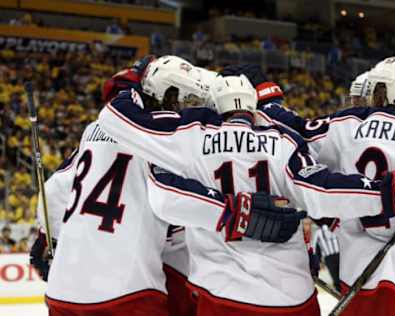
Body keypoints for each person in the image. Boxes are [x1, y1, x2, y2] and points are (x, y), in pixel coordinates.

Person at [98, 62, 395, 315]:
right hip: (291, 298)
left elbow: (165, 194)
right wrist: (387, 193)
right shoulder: (284, 142)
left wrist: (129, 84)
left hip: (222, 296)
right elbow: (322, 189)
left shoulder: (191, 136)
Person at [30, 55, 304, 316]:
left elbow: (53, 194)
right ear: (171, 97)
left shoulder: (93, 131)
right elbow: (174, 211)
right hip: (127, 290)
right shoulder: (166, 140)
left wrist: (47, 237)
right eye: (188, 101)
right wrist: (241, 215)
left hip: (64, 288)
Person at [255, 56, 395, 315]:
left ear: (386, 90)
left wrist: (263, 99)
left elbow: (294, 134)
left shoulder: (352, 124)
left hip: (366, 289)